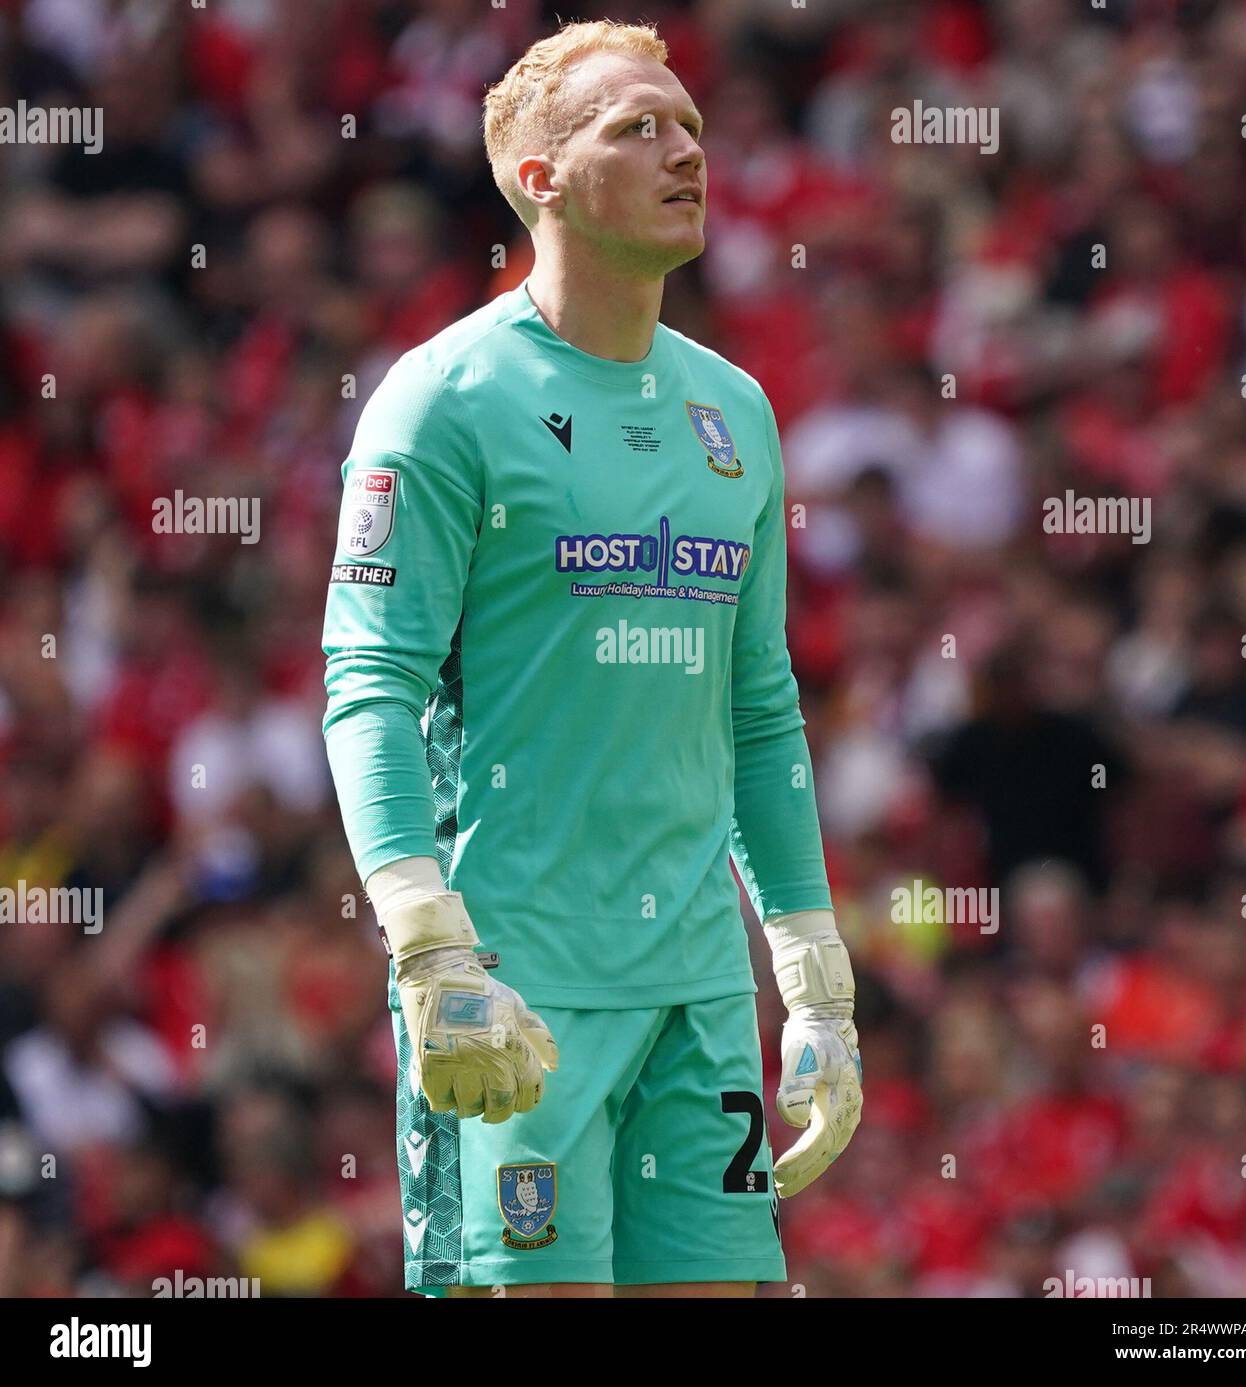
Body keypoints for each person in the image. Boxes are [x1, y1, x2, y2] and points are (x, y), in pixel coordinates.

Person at [321, 18, 861, 1300]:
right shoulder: (440, 401)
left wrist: (813, 975)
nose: (685, 150)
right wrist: (425, 947)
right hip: (517, 995)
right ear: (537, 178)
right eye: (638, 127)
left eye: (690, 126)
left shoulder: (734, 411)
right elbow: (368, 687)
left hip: (697, 996)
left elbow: (760, 710)